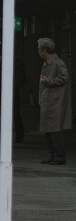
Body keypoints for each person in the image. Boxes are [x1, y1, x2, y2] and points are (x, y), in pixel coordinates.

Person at [38, 37, 71, 165]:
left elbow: (64, 78)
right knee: (49, 130)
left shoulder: (57, 62)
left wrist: (48, 81)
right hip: (49, 100)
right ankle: (52, 154)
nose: (38, 52)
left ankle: (59, 156)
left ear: (44, 50)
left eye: (39, 50)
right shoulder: (48, 62)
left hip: (55, 101)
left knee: (55, 130)